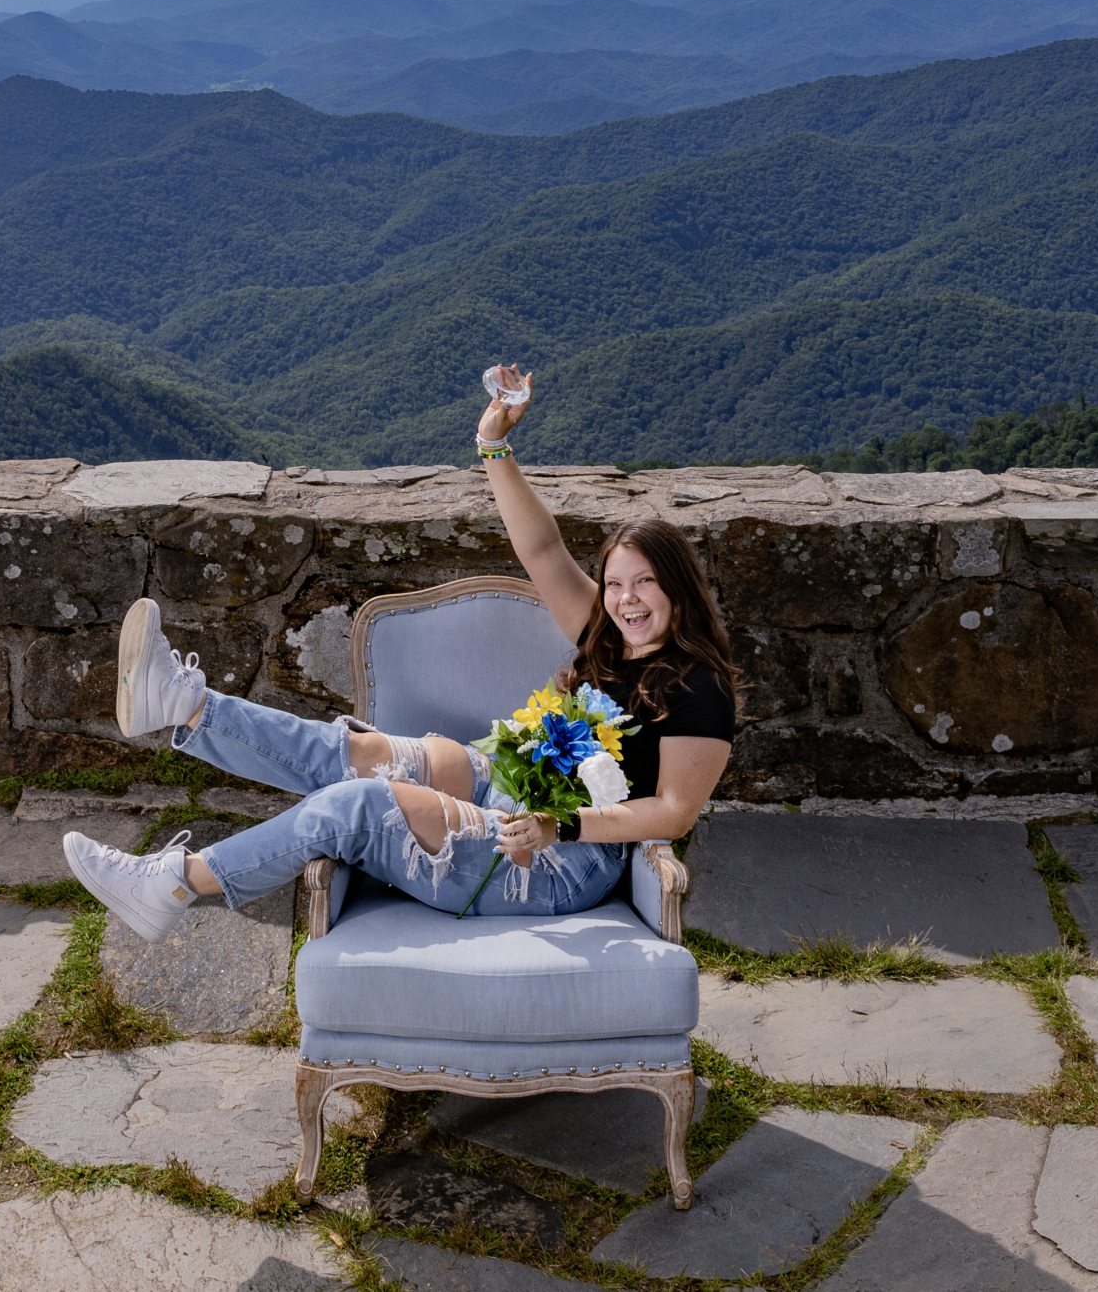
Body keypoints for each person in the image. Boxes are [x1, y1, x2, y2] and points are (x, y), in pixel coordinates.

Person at [62, 366, 740, 940]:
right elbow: (542, 550)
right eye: (616, 581)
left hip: (560, 855)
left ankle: (172, 886)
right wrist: (492, 442)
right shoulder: (609, 636)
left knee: (360, 803)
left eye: (644, 582)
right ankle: (187, 708)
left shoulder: (700, 687)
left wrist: (557, 824)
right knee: (365, 751)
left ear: (675, 586)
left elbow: (674, 811)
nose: (625, 598)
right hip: (510, 777)